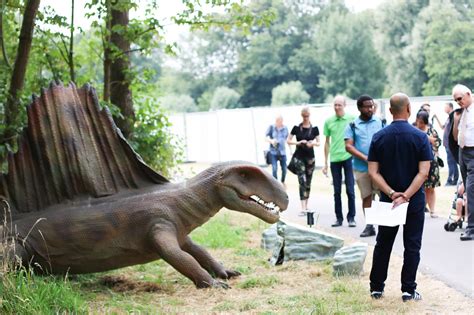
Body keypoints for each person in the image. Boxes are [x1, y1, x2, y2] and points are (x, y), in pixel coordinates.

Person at [368, 93, 432, 302]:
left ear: (390, 111)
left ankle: (376, 287)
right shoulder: (420, 137)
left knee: (383, 243)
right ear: (409, 109)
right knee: (412, 245)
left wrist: (392, 193)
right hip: (414, 200)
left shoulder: (379, 136)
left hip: (389, 201)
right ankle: (408, 290)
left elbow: (373, 172)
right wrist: (406, 195)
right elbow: (423, 172)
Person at [344, 95, 384, 237]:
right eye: (367, 106)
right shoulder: (352, 125)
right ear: (360, 108)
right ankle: (370, 225)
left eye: (371, 106)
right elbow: (348, 146)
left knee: (383, 195)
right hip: (361, 168)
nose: (370, 109)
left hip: (380, 168)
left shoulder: (380, 122)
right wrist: (365, 158)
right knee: (367, 197)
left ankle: (385, 226)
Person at [322, 95, 356, 227]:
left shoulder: (352, 119)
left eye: (339, 105)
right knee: (336, 191)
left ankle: (351, 217)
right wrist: (325, 162)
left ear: (344, 105)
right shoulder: (329, 121)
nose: (337, 107)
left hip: (348, 157)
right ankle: (339, 218)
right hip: (334, 159)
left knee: (350, 189)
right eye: (335, 105)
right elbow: (326, 143)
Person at [287, 107, 320, 215]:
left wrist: (312, 143)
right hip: (299, 157)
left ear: (309, 115)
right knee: (302, 181)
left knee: (308, 182)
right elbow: (288, 140)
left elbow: (319, 142)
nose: (306, 118)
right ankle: (302, 207)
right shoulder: (296, 128)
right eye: (304, 116)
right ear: (302, 116)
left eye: (307, 116)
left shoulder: (314, 129)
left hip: (310, 158)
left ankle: (306, 205)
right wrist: (299, 142)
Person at [452, 84, 474, 241]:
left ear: (468, 94)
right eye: (455, 100)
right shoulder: (461, 112)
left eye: (460, 99)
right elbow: (455, 136)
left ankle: (471, 227)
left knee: (471, 190)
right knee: (468, 190)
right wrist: (455, 120)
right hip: (463, 151)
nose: (458, 102)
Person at [415, 110, 441, 218]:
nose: (419, 124)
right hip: (417, 163)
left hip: (432, 163)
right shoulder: (414, 131)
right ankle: (419, 209)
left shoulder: (432, 131)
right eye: (418, 121)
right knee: (418, 188)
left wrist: (429, 139)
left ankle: (432, 210)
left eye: (422, 122)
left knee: (431, 188)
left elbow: (437, 143)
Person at [433, 102, 459, 186]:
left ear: (450, 107)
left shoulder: (453, 116)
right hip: (446, 144)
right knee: (451, 162)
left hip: (450, 144)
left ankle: (452, 180)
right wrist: (436, 117)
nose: (444, 109)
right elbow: (442, 127)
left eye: (446, 107)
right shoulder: (448, 117)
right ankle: (453, 179)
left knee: (451, 162)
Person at [265, 115, 289, 185]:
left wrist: (291, 150)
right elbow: (265, 137)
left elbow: (288, 139)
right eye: (277, 121)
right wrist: (271, 141)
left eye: (280, 121)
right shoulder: (271, 127)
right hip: (273, 152)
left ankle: (282, 181)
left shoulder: (285, 128)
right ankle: (275, 184)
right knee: (274, 169)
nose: (279, 123)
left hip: (282, 152)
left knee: (284, 169)